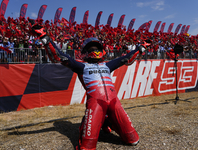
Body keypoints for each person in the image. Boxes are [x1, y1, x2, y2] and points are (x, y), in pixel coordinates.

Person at [29, 18, 148, 150]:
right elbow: (59, 57)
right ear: (85, 51)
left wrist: (141, 48)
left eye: (97, 48)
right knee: (87, 147)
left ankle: (107, 121)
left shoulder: (106, 65)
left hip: (114, 103)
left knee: (133, 140)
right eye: (92, 48)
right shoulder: (81, 65)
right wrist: (44, 37)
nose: (95, 50)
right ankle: (103, 122)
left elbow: (125, 58)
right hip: (96, 104)